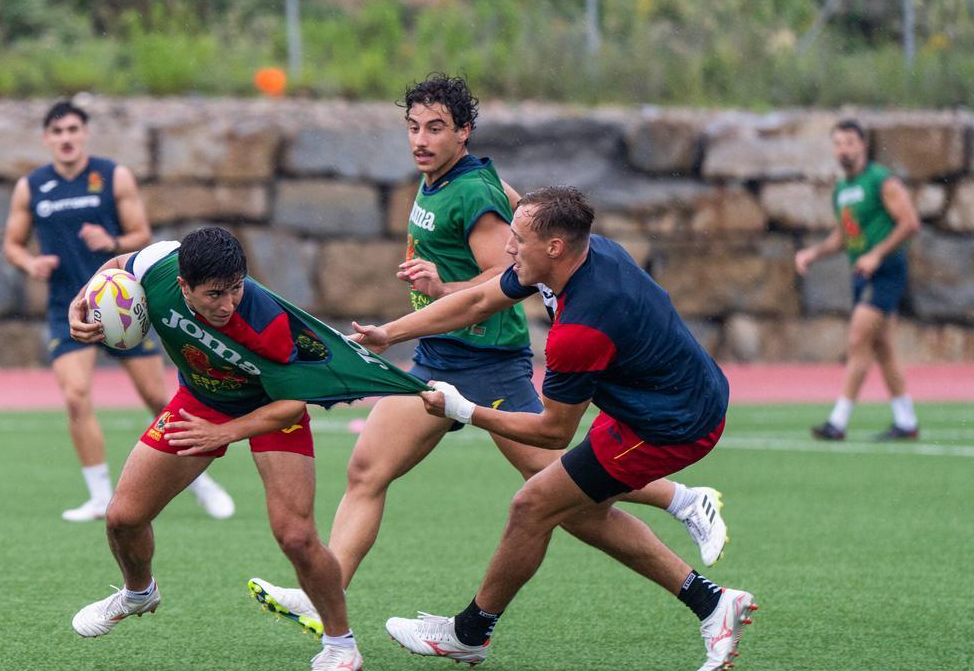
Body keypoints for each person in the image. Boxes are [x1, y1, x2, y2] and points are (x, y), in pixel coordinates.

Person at [247, 74, 727, 639]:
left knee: (563, 497)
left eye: (436, 128)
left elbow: (499, 278)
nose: (421, 140)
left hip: (488, 364)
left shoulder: (473, 191)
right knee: (368, 470)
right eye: (413, 128)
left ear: (464, 132)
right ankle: (323, 593)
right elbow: (516, 250)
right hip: (437, 357)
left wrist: (439, 286)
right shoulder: (446, 180)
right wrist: (393, 333)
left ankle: (684, 506)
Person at [355, 186, 756, 671]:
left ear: (555, 248)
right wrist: (390, 333)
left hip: (671, 425)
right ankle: (712, 600)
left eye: (517, 239)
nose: (506, 247)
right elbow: (479, 300)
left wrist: (464, 410)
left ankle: (468, 633)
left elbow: (551, 431)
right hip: (659, 397)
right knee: (570, 507)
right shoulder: (579, 255)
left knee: (533, 505)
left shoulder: (580, 331)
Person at [67, 226, 429, 671]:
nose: (227, 304)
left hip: (272, 408)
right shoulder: (158, 264)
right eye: (214, 294)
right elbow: (116, 268)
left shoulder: (270, 324)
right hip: (200, 402)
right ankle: (138, 593)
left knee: (295, 536)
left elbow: (292, 405)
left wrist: (225, 434)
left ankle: (342, 646)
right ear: (183, 285)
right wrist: (81, 301)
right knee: (122, 517)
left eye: (236, 288)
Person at [3, 100, 234, 522]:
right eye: (57, 132)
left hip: (127, 306)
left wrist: (109, 241)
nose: (66, 138)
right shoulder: (32, 186)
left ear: (84, 133)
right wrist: (28, 263)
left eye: (73, 129)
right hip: (67, 308)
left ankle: (201, 483)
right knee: (75, 396)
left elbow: (141, 235)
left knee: (156, 397)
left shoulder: (112, 177)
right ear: (46, 139)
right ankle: (97, 495)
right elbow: (13, 243)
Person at [795, 119, 922, 442]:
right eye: (838, 143)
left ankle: (838, 421)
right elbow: (844, 235)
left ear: (863, 145)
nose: (844, 149)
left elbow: (909, 223)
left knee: (857, 339)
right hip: (861, 274)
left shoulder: (881, 181)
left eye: (850, 142)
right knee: (884, 348)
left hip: (887, 270)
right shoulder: (841, 191)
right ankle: (906, 421)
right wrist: (813, 253)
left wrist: (877, 254)